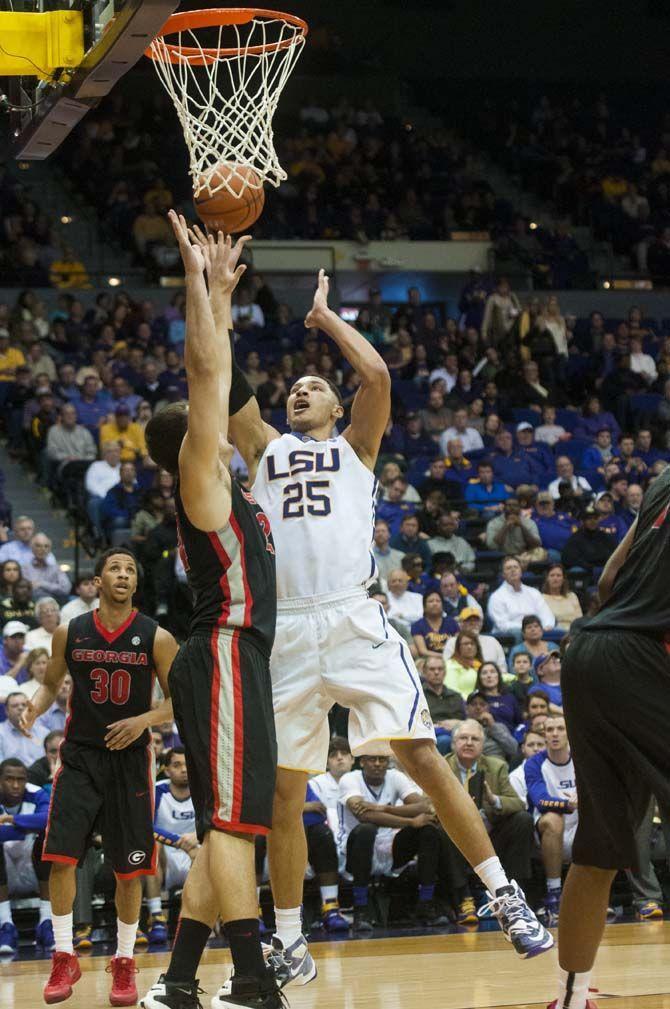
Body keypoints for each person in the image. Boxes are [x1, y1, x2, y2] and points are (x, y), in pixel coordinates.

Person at [220, 252, 551, 979]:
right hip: (288, 630)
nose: (301, 390)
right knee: (283, 789)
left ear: (336, 410)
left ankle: (505, 894)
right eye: (295, 387)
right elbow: (226, 380)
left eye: (315, 387)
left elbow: (378, 377)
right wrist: (215, 297)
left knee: (421, 754)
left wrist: (325, 319)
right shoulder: (265, 451)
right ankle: (292, 941)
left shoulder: (356, 449)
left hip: (352, 619)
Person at [141, 219, 282, 1009]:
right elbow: (206, 371)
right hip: (223, 651)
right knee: (231, 824)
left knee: (231, 822)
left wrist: (223, 298)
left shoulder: (234, 488)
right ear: (194, 441)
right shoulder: (201, 479)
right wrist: (200, 283)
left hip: (240, 658)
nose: (222, 415)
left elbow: (217, 377)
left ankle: (181, 979)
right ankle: (255, 980)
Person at [20, 547, 178, 1006]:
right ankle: (64, 954)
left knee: (129, 868)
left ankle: (125, 962)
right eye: (116, 568)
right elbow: (52, 682)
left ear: (136, 584)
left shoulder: (157, 637)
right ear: (96, 580)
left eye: (131, 569)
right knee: (61, 857)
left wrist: (143, 721)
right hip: (80, 757)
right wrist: (36, 703)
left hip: (130, 761)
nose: (124, 575)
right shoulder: (71, 632)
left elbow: (176, 702)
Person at [547, 465, 670, 1009]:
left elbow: (606, 583)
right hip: (644, 657)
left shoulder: (665, 479)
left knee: (598, 848)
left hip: (590, 653)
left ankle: (570, 998)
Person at [337, 754, 448, 930]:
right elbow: (364, 815)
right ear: (362, 761)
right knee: (366, 829)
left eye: (382, 759)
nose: (377, 763)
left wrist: (385, 807)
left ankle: (426, 903)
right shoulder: (350, 779)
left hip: (389, 849)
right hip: (353, 852)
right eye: (372, 759)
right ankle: (361, 908)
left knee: (428, 829)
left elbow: (425, 806)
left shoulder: (395, 776)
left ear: (388, 762)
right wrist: (410, 822)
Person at [443, 720, 533, 925]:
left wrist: (494, 800)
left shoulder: (497, 766)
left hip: (490, 832)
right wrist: (457, 812)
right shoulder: (442, 766)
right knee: (439, 828)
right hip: (456, 834)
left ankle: (513, 893)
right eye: (463, 738)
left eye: (474, 739)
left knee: (522, 820)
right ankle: (464, 898)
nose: (468, 743)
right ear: (453, 743)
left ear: (482, 745)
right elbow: (428, 804)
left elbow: (518, 803)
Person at [525, 715, 577, 925]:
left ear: (568, 733)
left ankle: (593, 894)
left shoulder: (582, 758)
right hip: (547, 834)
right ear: (544, 735)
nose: (555, 734)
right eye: (550, 730)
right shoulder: (534, 763)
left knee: (601, 815)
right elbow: (540, 800)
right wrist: (567, 805)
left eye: (560, 729)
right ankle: (554, 894)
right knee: (554, 819)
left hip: (582, 828)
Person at [145, 748, 198, 944]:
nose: (184, 770)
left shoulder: (202, 789)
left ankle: (198, 918)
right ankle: (157, 917)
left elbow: (214, 820)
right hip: (165, 855)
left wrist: (197, 837)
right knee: (152, 845)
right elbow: (146, 825)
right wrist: (177, 841)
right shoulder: (158, 791)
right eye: (177, 765)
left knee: (215, 848)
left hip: (196, 851)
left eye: (187, 765)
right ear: (167, 770)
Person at [0, 758, 52, 954]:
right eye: (9, 779)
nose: (15, 785)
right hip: (5, 871)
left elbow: (48, 820)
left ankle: (46, 922)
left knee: (47, 838)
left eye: (20, 779)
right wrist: (28, 827)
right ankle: (6, 925)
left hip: (33, 868)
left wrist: (11, 820)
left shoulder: (36, 793)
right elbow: (38, 823)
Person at [304, 736, 354, 931]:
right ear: (325, 762)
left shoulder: (358, 778)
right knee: (323, 835)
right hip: (322, 840)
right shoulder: (316, 782)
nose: (340, 758)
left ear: (353, 758)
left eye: (344, 754)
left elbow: (317, 811)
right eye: (334, 755)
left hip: (347, 840)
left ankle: (334, 907)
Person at [488, 556, 556, 637]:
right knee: (517, 633)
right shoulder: (497, 597)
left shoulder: (533, 592)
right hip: (512, 636)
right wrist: (528, 628)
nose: (513, 570)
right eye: (508, 568)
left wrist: (546, 626)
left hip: (536, 631)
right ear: (503, 574)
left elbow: (546, 614)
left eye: (515, 567)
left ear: (521, 571)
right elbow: (502, 625)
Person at [421, 655, 466, 755]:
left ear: (445, 672)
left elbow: (464, 721)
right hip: (429, 738)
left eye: (440, 669)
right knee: (445, 741)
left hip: (456, 735)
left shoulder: (456, 696)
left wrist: (457, 724)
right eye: (432, 669)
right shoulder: (418, 696)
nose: (436, 672)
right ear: (424, 672)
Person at [485, 498, 546, 567]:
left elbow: (537, 544)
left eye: (515, 505)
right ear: (504, 508)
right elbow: (491, 545)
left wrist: (521, 526)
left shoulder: (529, 523)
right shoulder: (494, 523)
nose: (512, 508)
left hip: (524, 556)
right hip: (502, 558)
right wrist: (506, 526)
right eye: (509, 505)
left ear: (520, 508)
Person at [443, 608, 508, 670]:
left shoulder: (492, 641)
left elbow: (502, 668)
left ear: (481, 623)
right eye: (469, 620)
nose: (473, 623)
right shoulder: (452, 642)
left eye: (476, 620)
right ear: (460, 624)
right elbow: (447, 666)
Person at [464, 692, 519, 764]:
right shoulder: (461, 727)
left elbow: (513, 749)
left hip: (497, 767)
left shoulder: (499, 727)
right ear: (466, 709)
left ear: (488, 708)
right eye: (474, 704)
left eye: (482, 704)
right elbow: (460, 751)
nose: (478, 707)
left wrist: (492, 726)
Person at [561, 504, 615, 573]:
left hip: (604, 571)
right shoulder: (576, 538)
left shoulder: (605, 536)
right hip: (586, 572)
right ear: (582, 521)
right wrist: (591, 568)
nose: (592, 521)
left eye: (595, 518)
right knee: (577, 570)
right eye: (589, 518)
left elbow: (614, 554)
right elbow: (568, 559)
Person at [21, 534, 71, 603]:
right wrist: (53, 588)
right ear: (31, 548)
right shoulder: (24, 569)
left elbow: (65, 589)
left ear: (49, 549)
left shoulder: (56, 568)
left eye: (46, 546)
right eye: (38, 546)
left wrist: (41, 584)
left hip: (53, 604)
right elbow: (26, 591)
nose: (43, 549)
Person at [0, 692, 47, 764]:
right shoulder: (1, 732)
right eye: (15, 706)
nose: (20, 708)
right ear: (7, 711)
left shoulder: (43, 732)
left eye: (24, 705)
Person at [476, 662, 522, 734]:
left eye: (492, 672)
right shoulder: (476, 700)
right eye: (484, 673)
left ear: (498, 675)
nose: (489, 676)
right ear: (479, 678)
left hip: (511, 740)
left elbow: (520, 723)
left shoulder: (510, 698)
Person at [411, 591, 458, 658]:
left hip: (452, 660)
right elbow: (423, 651)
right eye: (431, 601)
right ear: (424, 606)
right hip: (428, 661)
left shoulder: (451, 622)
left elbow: (459, 645)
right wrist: (445, 657)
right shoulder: (417, 626)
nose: (435, 604)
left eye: (438, 601)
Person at [509, 730, 546, 807]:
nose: (536, 749)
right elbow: (521, 807)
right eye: (531, 745)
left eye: (540, 744)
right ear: (523, 748)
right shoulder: (515, 777)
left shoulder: (554, 769)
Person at [541, 565, 582, 631]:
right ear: (547, 579)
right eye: (552, 575)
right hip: (553, 632)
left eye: (558, 575)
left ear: (563, 579)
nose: (555, 578)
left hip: (573, 632)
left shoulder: (572, 596)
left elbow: (579, 619)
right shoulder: (541, 598)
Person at [444, 630, 483, 698]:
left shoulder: (480, 664)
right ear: (458, 647)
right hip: (462, 704)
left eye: (472, 643)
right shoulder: (451, 665)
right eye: (466, 644)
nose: (469, 647)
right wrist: (471, 701)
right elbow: (452, 691)